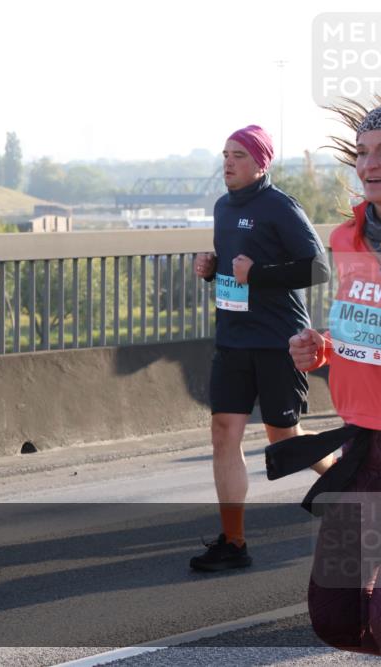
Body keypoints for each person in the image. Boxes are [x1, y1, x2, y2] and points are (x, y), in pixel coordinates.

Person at [190, 125, 331, 571]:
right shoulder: (222, 208)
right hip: (232, 338)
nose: (228, 163)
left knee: (283, 439)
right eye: (225, 154)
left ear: (260, 163)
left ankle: (356, 487)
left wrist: (262, 274)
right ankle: (233, 543)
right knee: (223, 433)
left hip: (277, 339)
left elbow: (318, 268)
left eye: (239, 156)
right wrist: (212, 270)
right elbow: (236, 270)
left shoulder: (280, 207)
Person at [281, 100, 381, 654]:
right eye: (364, 153)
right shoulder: (347, 239)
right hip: (363, 447)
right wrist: (322, 350)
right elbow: (362, 328)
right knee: (336, 617)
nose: (369, 165)